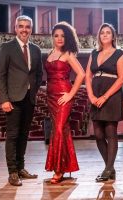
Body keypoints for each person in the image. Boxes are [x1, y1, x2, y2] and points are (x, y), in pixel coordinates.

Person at [0, 15, 43, 186]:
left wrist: (34, 90)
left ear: (31, 29)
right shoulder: (7, 47)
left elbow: (38, 75)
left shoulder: (36, 49)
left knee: (24, 135)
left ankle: (21, 168)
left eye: (28, 27)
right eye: (21, 26)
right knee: (13, 136)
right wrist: (4, 99)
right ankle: (12, 172)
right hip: (13, 99)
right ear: (15, 28)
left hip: (29, 99)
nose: (24, 29)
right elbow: (1, 76)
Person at [45, 21, 85, 184]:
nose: (59, 38)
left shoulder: (68, 54)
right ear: (52, 38)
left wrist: (70, 94)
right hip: (50, 96)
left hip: (63, 95)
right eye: (56, 36)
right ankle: (64, 165)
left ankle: (58, 170)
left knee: (60, 129)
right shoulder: (49, 53)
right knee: (59, 130)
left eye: (62, 35)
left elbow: (81, 74)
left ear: (66, 37)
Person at [85, 23, 123, 182]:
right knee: (98, 135)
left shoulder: (120, 54)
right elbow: (88, 76)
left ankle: (108, 169)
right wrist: (91, 95)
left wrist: (105, 97)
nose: (105, 35)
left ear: (113, 36)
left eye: (108, 32)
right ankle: (110, 168)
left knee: (110, 133)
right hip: (95, 94)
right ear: (99, 36)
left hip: (112, 95)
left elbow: (122, 78)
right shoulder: (93, 53)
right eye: (102, 33)